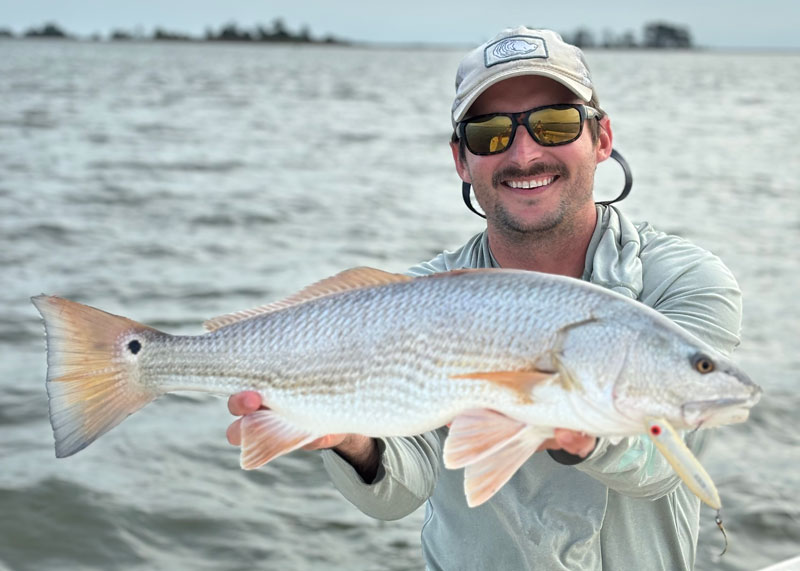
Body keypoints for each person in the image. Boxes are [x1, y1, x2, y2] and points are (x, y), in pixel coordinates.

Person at [227, 27, 742, 570]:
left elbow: (667, 458)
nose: (524, 154)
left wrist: (578, 433)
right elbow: (403, 489)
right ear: (461, 161)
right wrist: (353, 441)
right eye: (489, 133)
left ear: (602, 138)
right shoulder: (412, 298)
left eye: (556, 123)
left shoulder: (684, 279)